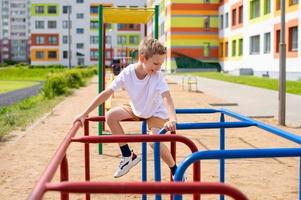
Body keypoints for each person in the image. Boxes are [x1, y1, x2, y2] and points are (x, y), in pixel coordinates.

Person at [74, 38, 183, 180]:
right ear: (142, 58)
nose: (158, 68)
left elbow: (167, 97)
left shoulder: (157, 76)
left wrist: (173, 119)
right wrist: (84, 113)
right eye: (156, 63)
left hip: (155, 111)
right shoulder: (127, 73)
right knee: (110, 116)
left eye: (161, 64)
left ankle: (175, 170)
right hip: (137, 108)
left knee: (153, 140)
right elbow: (107, 93)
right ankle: (127, 155)